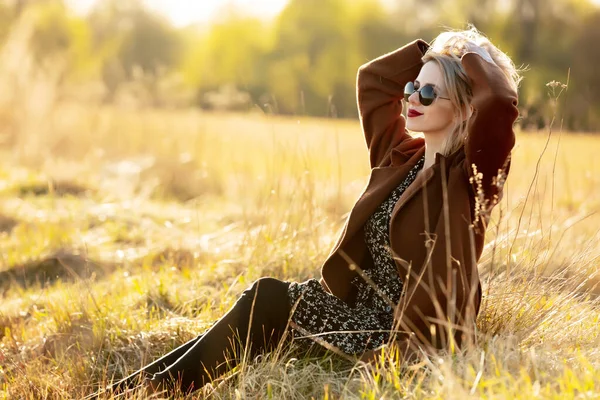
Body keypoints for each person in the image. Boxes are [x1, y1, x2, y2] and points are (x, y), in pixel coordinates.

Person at [97, 26, 521, 396]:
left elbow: (500, 101)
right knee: (264, 296)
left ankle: (142, 392)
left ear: (465, 107)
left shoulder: (471, 179)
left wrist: (467, 55)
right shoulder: (400, 158)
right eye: (412, 87)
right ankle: (138, 392)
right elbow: (373, 82)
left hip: (398, 339)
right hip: (358, 314)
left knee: (266, 302)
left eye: (429, 92)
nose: (412, 97)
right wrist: (432, 55)